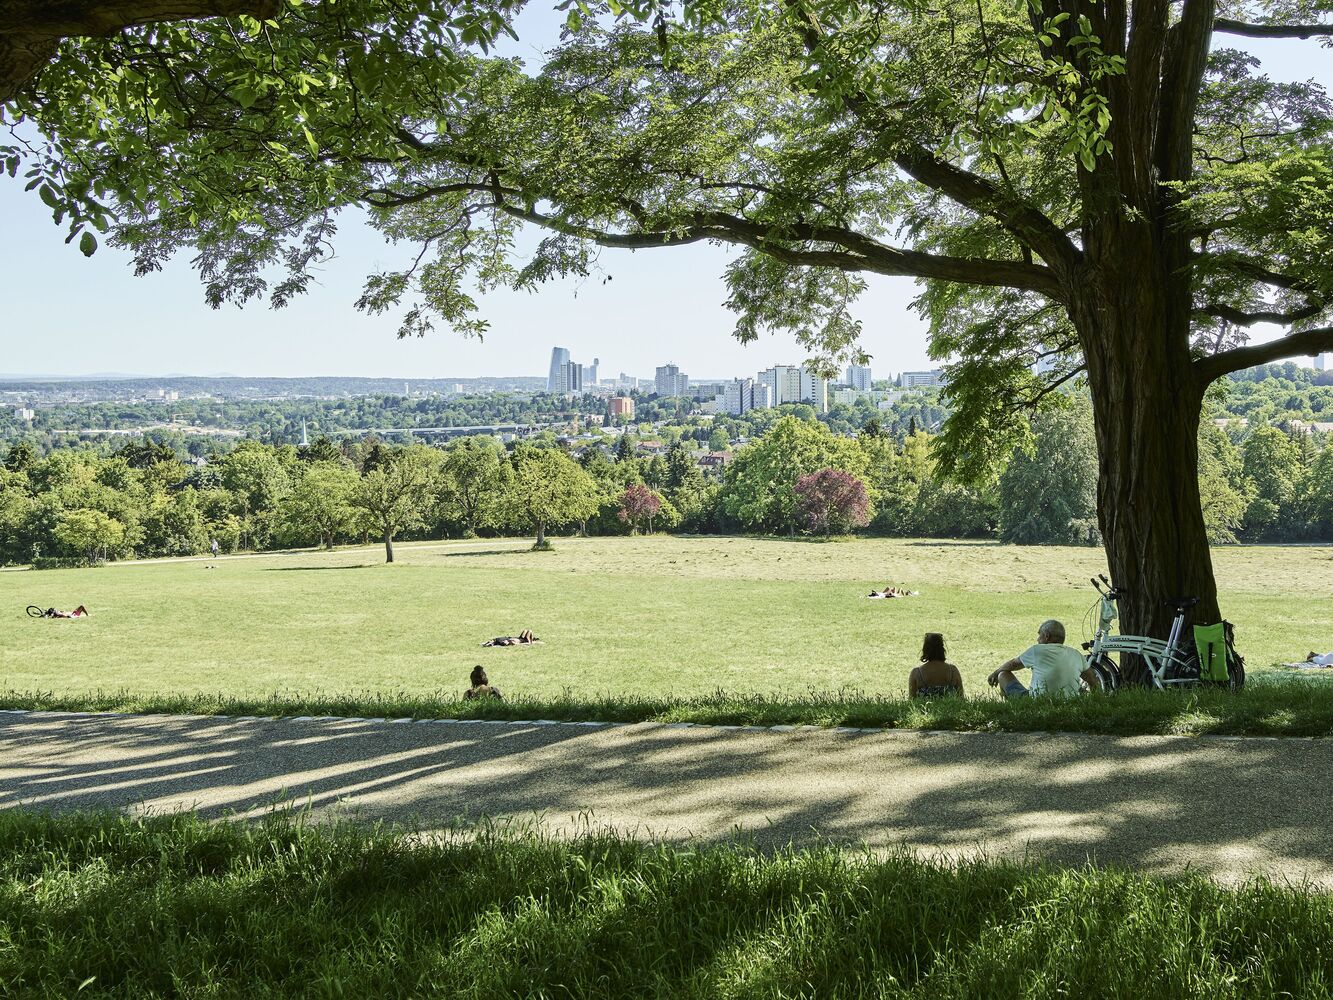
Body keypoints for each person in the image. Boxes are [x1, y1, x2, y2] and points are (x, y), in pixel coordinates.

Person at [989, 619, 1102, 697]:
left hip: (1037, 703)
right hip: (1069, 704)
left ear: (1047, 636)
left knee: (1003, 674)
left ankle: (1012, 710)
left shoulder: (1037, 650)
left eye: (1039, 635)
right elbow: (1093, 681)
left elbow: (1013, 664)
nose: (1038, 639)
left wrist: (996, 672)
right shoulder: (1076, 654)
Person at [908, 632, 964, 698]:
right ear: (942, 648)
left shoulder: (916, 673)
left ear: (925, 649)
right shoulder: (953, 671)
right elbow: (961, 698)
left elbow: (912, 702)